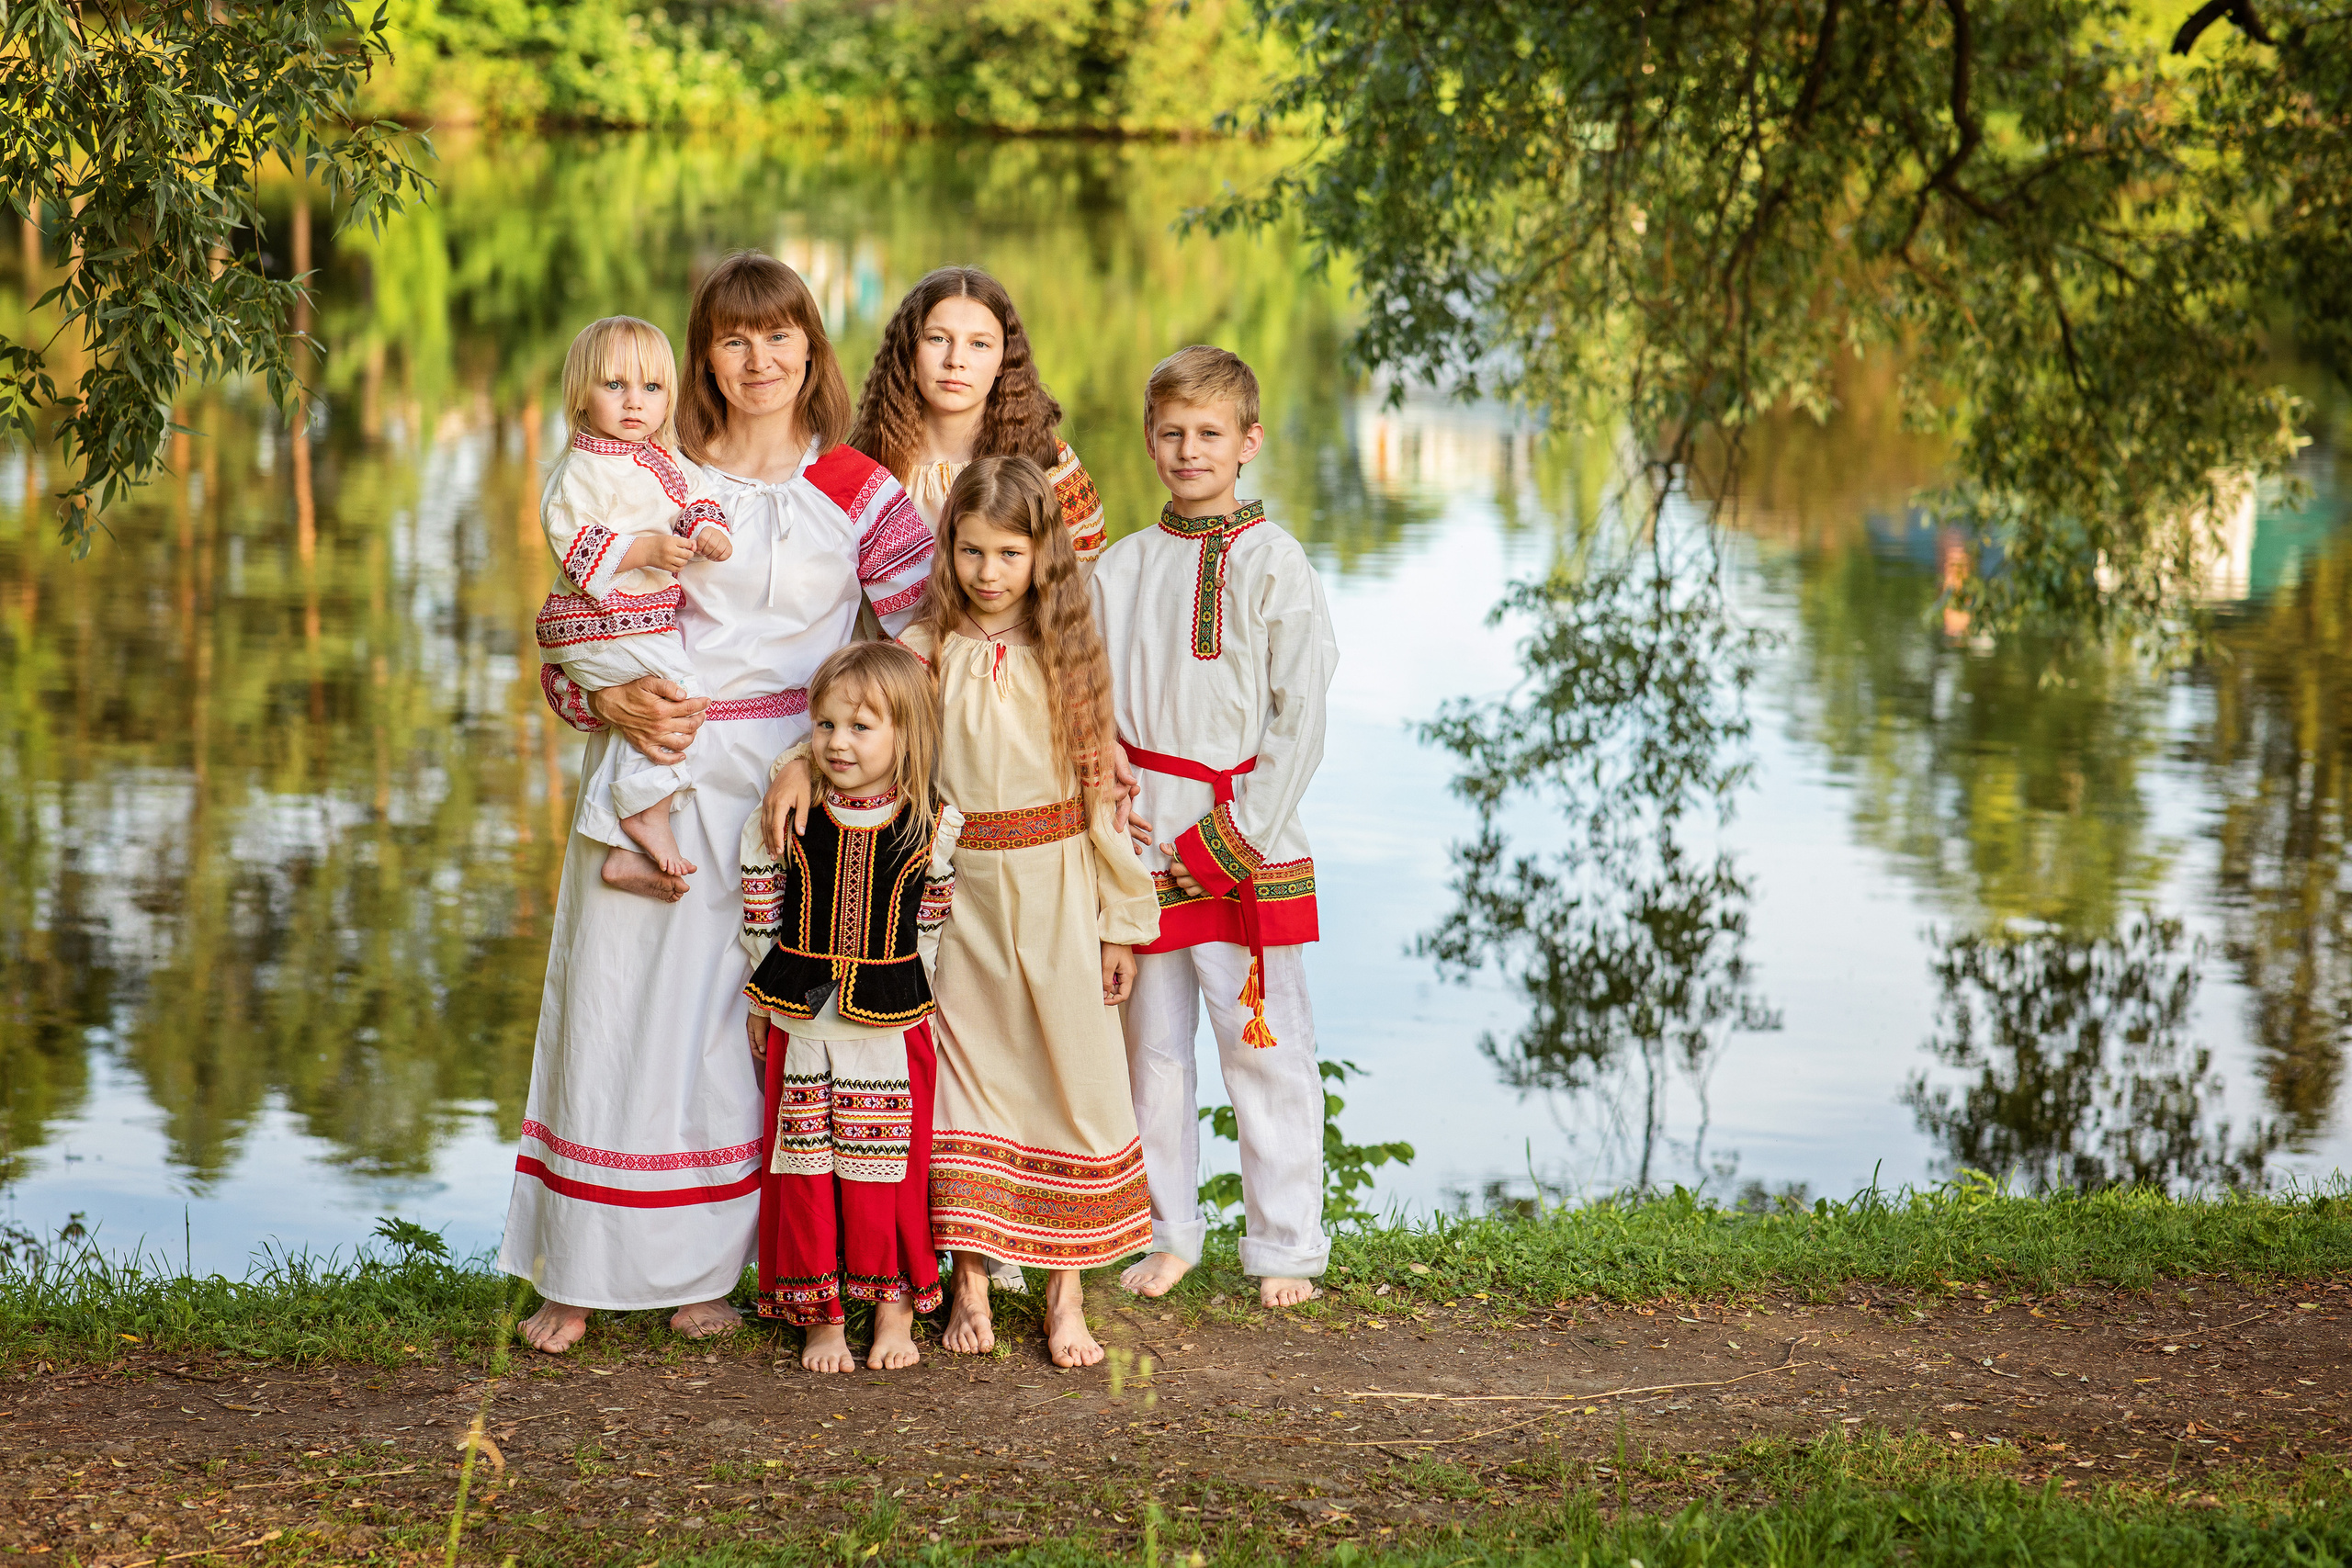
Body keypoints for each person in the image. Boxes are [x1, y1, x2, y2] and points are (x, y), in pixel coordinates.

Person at [502, 252, 933, 1355]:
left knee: (739, 1029)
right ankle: (581, 1269)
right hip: (667, 756)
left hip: (803, 781)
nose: (758, 359)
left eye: (779, 335)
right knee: (621, 1007)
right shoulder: (656, 472)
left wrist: (823, 744)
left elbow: (929, 631)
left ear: (810, 349)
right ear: (703, 357)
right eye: (732, 340)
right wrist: (611, 707)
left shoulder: (856, 488)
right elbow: (571, 628)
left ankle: (708, 1271)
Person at [767, 456, 1157, 1366]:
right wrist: (795, 759)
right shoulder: (926, 651)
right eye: (971, 551)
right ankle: (970, 1284)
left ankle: (1065, 1297)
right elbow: (854, 715)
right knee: (965, 1082)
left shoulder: (1070, 657)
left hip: (1057, 882)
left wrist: (1118, 921)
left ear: (1040, 558)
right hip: (959, 893)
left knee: (1076, 1080)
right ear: (950, 553)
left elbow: (1103, 801)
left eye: (1007, 554)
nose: (987, 573)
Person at [1091, 345, 1338, 1312]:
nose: (1187, 450)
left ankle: (1284, 1244)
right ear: (1150, 440)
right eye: (1170, 433)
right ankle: (1166, 1232)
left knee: (1264, 1045)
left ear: (1248, 442)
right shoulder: (1121, 567)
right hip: (1141, 835)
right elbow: (1094, 700)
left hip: (1243, 832)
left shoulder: (1275, 563)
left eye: (1207, 434)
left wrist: (1236, 836)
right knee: (1149, 1049)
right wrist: (1111, 817)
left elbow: (1302, 715)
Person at [739, 642, 962, 1373]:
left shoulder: (932, 824)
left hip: (890, 1020)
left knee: (888, 1166)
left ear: (908, 734)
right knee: (807, 1167)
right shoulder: (791, 813)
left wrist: (919, 999)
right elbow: (761, 904)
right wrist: (760, 1002)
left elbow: (931, 924)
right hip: (803, 1010)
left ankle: (892, 1308)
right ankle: (822, 1315)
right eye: (826, 725)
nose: (837, 743)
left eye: (861, 728)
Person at [535, 315, 734, 889]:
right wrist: (643, 548)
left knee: (651, 712)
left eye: (651, 388)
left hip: (639, 625)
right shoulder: (583, 470)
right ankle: (644, 816)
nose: (633, 403)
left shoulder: (660, 458)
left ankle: (621, 844)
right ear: (580, 394)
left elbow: (695, 496)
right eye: (614, 385)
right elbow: (575, 544)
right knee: (679, 698)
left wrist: (707, 528)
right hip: (597, 624)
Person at [847, 265, 1106, 557]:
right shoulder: (862, 466)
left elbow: (1078, 589)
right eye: (938, 339)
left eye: (979, 344)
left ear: (1004, 360)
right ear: (908, 349)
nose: (955, 360)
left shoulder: (1048, 466)